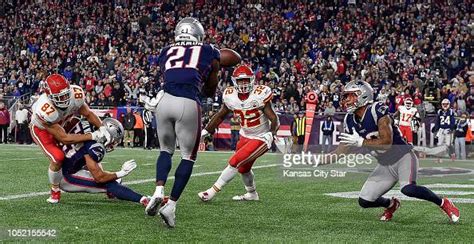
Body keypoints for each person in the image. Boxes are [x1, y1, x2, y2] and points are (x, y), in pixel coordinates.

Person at [333, 80, 459, 223]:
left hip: (403, 156)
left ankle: (444, 203)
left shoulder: (377, 110)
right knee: (365, 200)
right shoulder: (349, 120)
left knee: (408, 189)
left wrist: (362, 142)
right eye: (345, 96)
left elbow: (386, 143)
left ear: (362, 95)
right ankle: (392, 204)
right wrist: (316, 161)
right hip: (385, 165)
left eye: (350, 96)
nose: (346, 100)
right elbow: (339, 152)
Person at [145, 17, 221, 228]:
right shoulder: (208, 50)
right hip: (187, 102)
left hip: (164, 101)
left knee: (165, 151)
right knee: (188, 157)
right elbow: (211, 84)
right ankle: (171, 206)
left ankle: (158, 190)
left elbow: (172, 73)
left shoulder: (165, 51)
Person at [197, 65, 279, 202]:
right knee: (244, 169)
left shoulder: (260, 94)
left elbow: (274, 118)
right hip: (244, 135)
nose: (244, 83)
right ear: (234, 81)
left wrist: (271, 133)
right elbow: (220, 116)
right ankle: (252, 194)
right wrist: (206, 131)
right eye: (240, 81)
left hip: (261, 137)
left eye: (246, 80)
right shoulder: (230, 96)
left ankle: (211, 192)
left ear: (252, 80)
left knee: (235, 161)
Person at [30, 74, 110, 204]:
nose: (65, 99)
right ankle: (55, 189)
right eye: (59, 97)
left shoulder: (76, 94)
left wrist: (103, 128)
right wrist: (93, 135)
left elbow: (88, 114)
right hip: (43, 130)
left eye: (66, 94)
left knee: (86, 146)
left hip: (63, 122)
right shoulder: (45, 109)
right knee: (58, 158)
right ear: (49, 96)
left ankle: (100, 177)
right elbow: (64, 138)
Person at [59, 118, 149, 207]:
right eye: (114, 140)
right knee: (109, 183)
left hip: (64, 168)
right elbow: (99, 178)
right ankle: (144, 200)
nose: (114, 143)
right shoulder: (93, 146)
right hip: (67, 178)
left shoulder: (89, 130)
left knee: (113, 179)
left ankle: (112, 192)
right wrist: (122, 172)